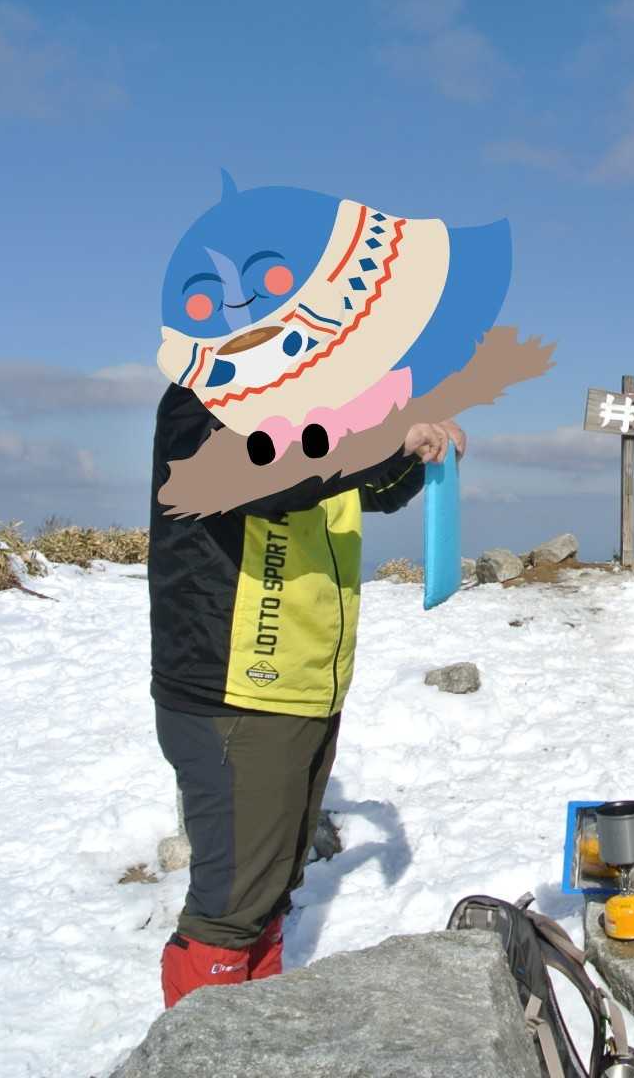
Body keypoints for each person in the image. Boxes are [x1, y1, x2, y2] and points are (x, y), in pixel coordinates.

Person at [148, 381, 464, 1008]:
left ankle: (256, 1033)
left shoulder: (316, 403)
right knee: (230, 905)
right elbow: (261, 478)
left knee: (268, 894)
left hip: (304, 683)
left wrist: (421, 451)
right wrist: (385, 439)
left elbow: (366, 488)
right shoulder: (206, 393)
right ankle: (201, 1047)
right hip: (234, 688)